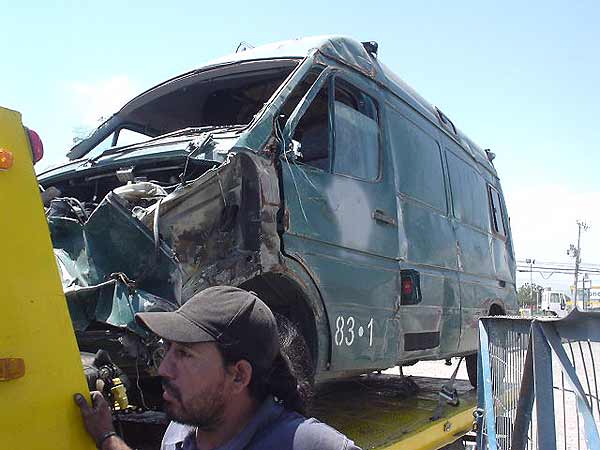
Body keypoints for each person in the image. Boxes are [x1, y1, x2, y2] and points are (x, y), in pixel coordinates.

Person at [75, 285, 362, 450]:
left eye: (185, 354)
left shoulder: (310, 445)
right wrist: (106, 436)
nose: (163, 368)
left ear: (239, 376)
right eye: (167, 349)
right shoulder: (179, 435)